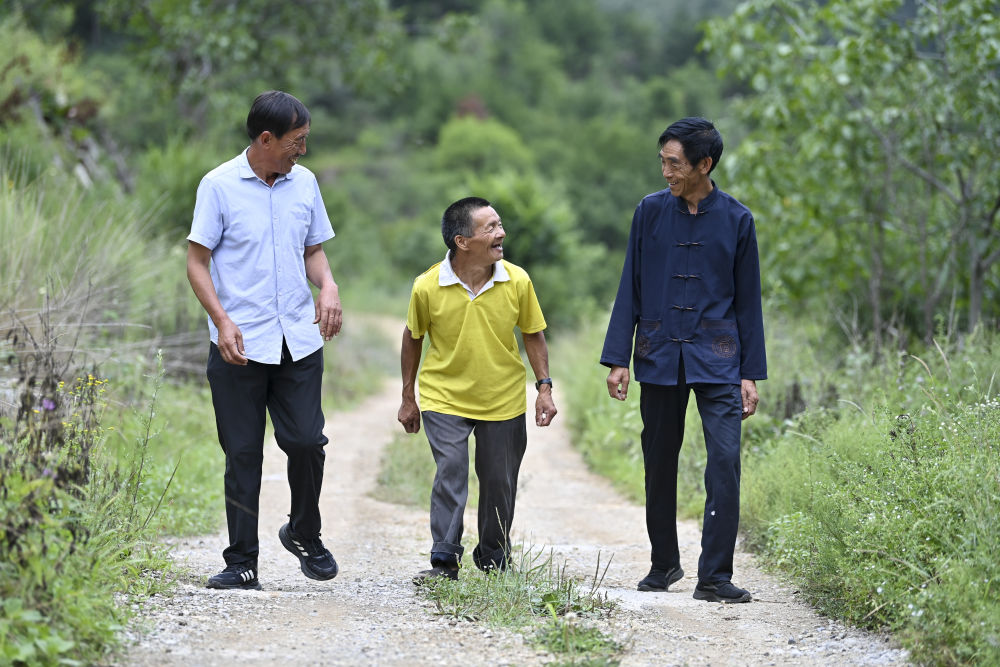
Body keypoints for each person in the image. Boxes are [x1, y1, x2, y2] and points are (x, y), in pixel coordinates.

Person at [601, 117, 766, 603]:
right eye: (663, 162)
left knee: (725, 461)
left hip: (719, 358)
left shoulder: (737, 220)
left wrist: (750, 373)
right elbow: (630, 284)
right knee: (658, 460)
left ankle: (714, 577)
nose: (666, 172)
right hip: (658, 353)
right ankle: (664, 563)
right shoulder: (649, 211)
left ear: (704, 164)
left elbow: (749, 303)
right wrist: (618, 357)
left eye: (675, 164)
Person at [187, 90, 342, 590]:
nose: (303, 150)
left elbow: (313, 250)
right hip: (238, 344)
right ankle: (242, 561)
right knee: (242, 453)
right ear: (267, 138)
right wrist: (221, 320)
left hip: (298, 338)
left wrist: (328, 286)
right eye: (298, 141)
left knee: (306, 442)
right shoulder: (218, 186)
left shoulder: (306, 183)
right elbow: (197, 262)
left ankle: (303, 532)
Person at [398, 196, 557, 582]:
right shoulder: (427, 286)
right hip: (444, 395)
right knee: (451, 470)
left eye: (499, 225)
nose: (502, 233)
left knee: (500, 480)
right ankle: (444, 560)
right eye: (491, 228)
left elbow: (533, 334)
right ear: (462, 241)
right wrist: (408, 396)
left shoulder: (517, 280)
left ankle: (494, 558)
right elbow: (413, 337)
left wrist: (544, 388)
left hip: (502, 396)